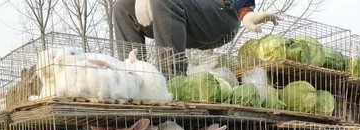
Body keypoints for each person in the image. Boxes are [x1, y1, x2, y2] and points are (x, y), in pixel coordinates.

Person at [114, 0, 278, 54]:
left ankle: (172, 79)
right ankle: (133, 76)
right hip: (181, 15)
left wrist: (245, 11)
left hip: (220, 14)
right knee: (122, 7)